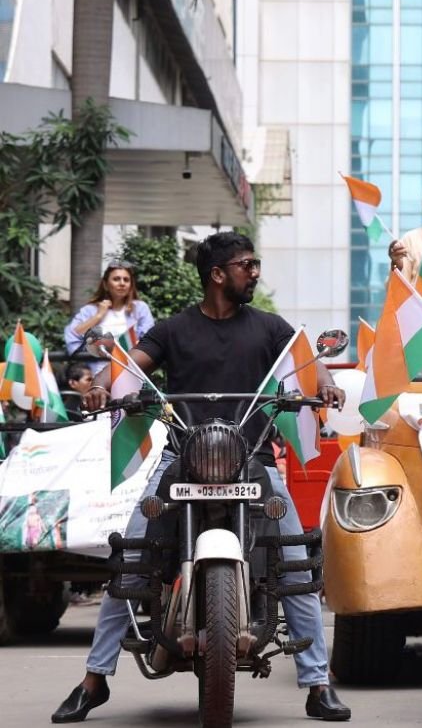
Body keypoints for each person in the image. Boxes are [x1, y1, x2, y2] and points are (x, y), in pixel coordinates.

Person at [50, 232, 352, 724]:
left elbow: (306, 365)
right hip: (181, 460)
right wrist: (100, 388)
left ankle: (317, 684)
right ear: (218, 274)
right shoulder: (172, 330)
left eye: (255, 264)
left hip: (251, 459)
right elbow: (130, 369)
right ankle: (93, 680)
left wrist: (329, 386)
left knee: (294, 562)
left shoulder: (270, 327)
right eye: (246, 265)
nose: (254, 272)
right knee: (130, 558)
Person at [63, 261, 155, 365]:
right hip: (97, 371)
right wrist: (98, 316)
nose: (122, 283)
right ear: (106, 284)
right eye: (116, 279)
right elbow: (72, 335)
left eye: (126, 280)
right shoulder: (90, 310)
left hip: (129, 370)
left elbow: (148, 339)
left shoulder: (139, 308)